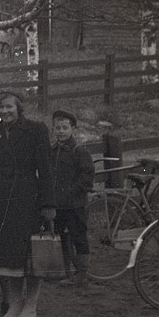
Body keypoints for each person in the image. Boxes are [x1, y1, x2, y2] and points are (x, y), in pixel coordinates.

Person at [0, 90, 56, 317]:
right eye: (0, 108)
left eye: (9, 107)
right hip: (2, 199)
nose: (4, 111)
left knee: (31, 255)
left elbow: (45, 169)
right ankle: (15, 303)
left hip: (28, 197)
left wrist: (48, 204)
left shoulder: (36, 130)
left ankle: (30, 307)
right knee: (8, 255)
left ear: (19, 107)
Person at [50, 110, 94, 287]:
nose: (61, 131)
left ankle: (82, 274)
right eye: (57, 128)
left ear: (72, 129)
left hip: (75, 204)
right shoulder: (52, 151)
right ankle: (65, 270)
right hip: (58, 205)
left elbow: (86, 178)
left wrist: (70, 192)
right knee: (60, 236)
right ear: (53, 130)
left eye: (65, 128)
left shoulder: (79, 151)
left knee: (78, 236)